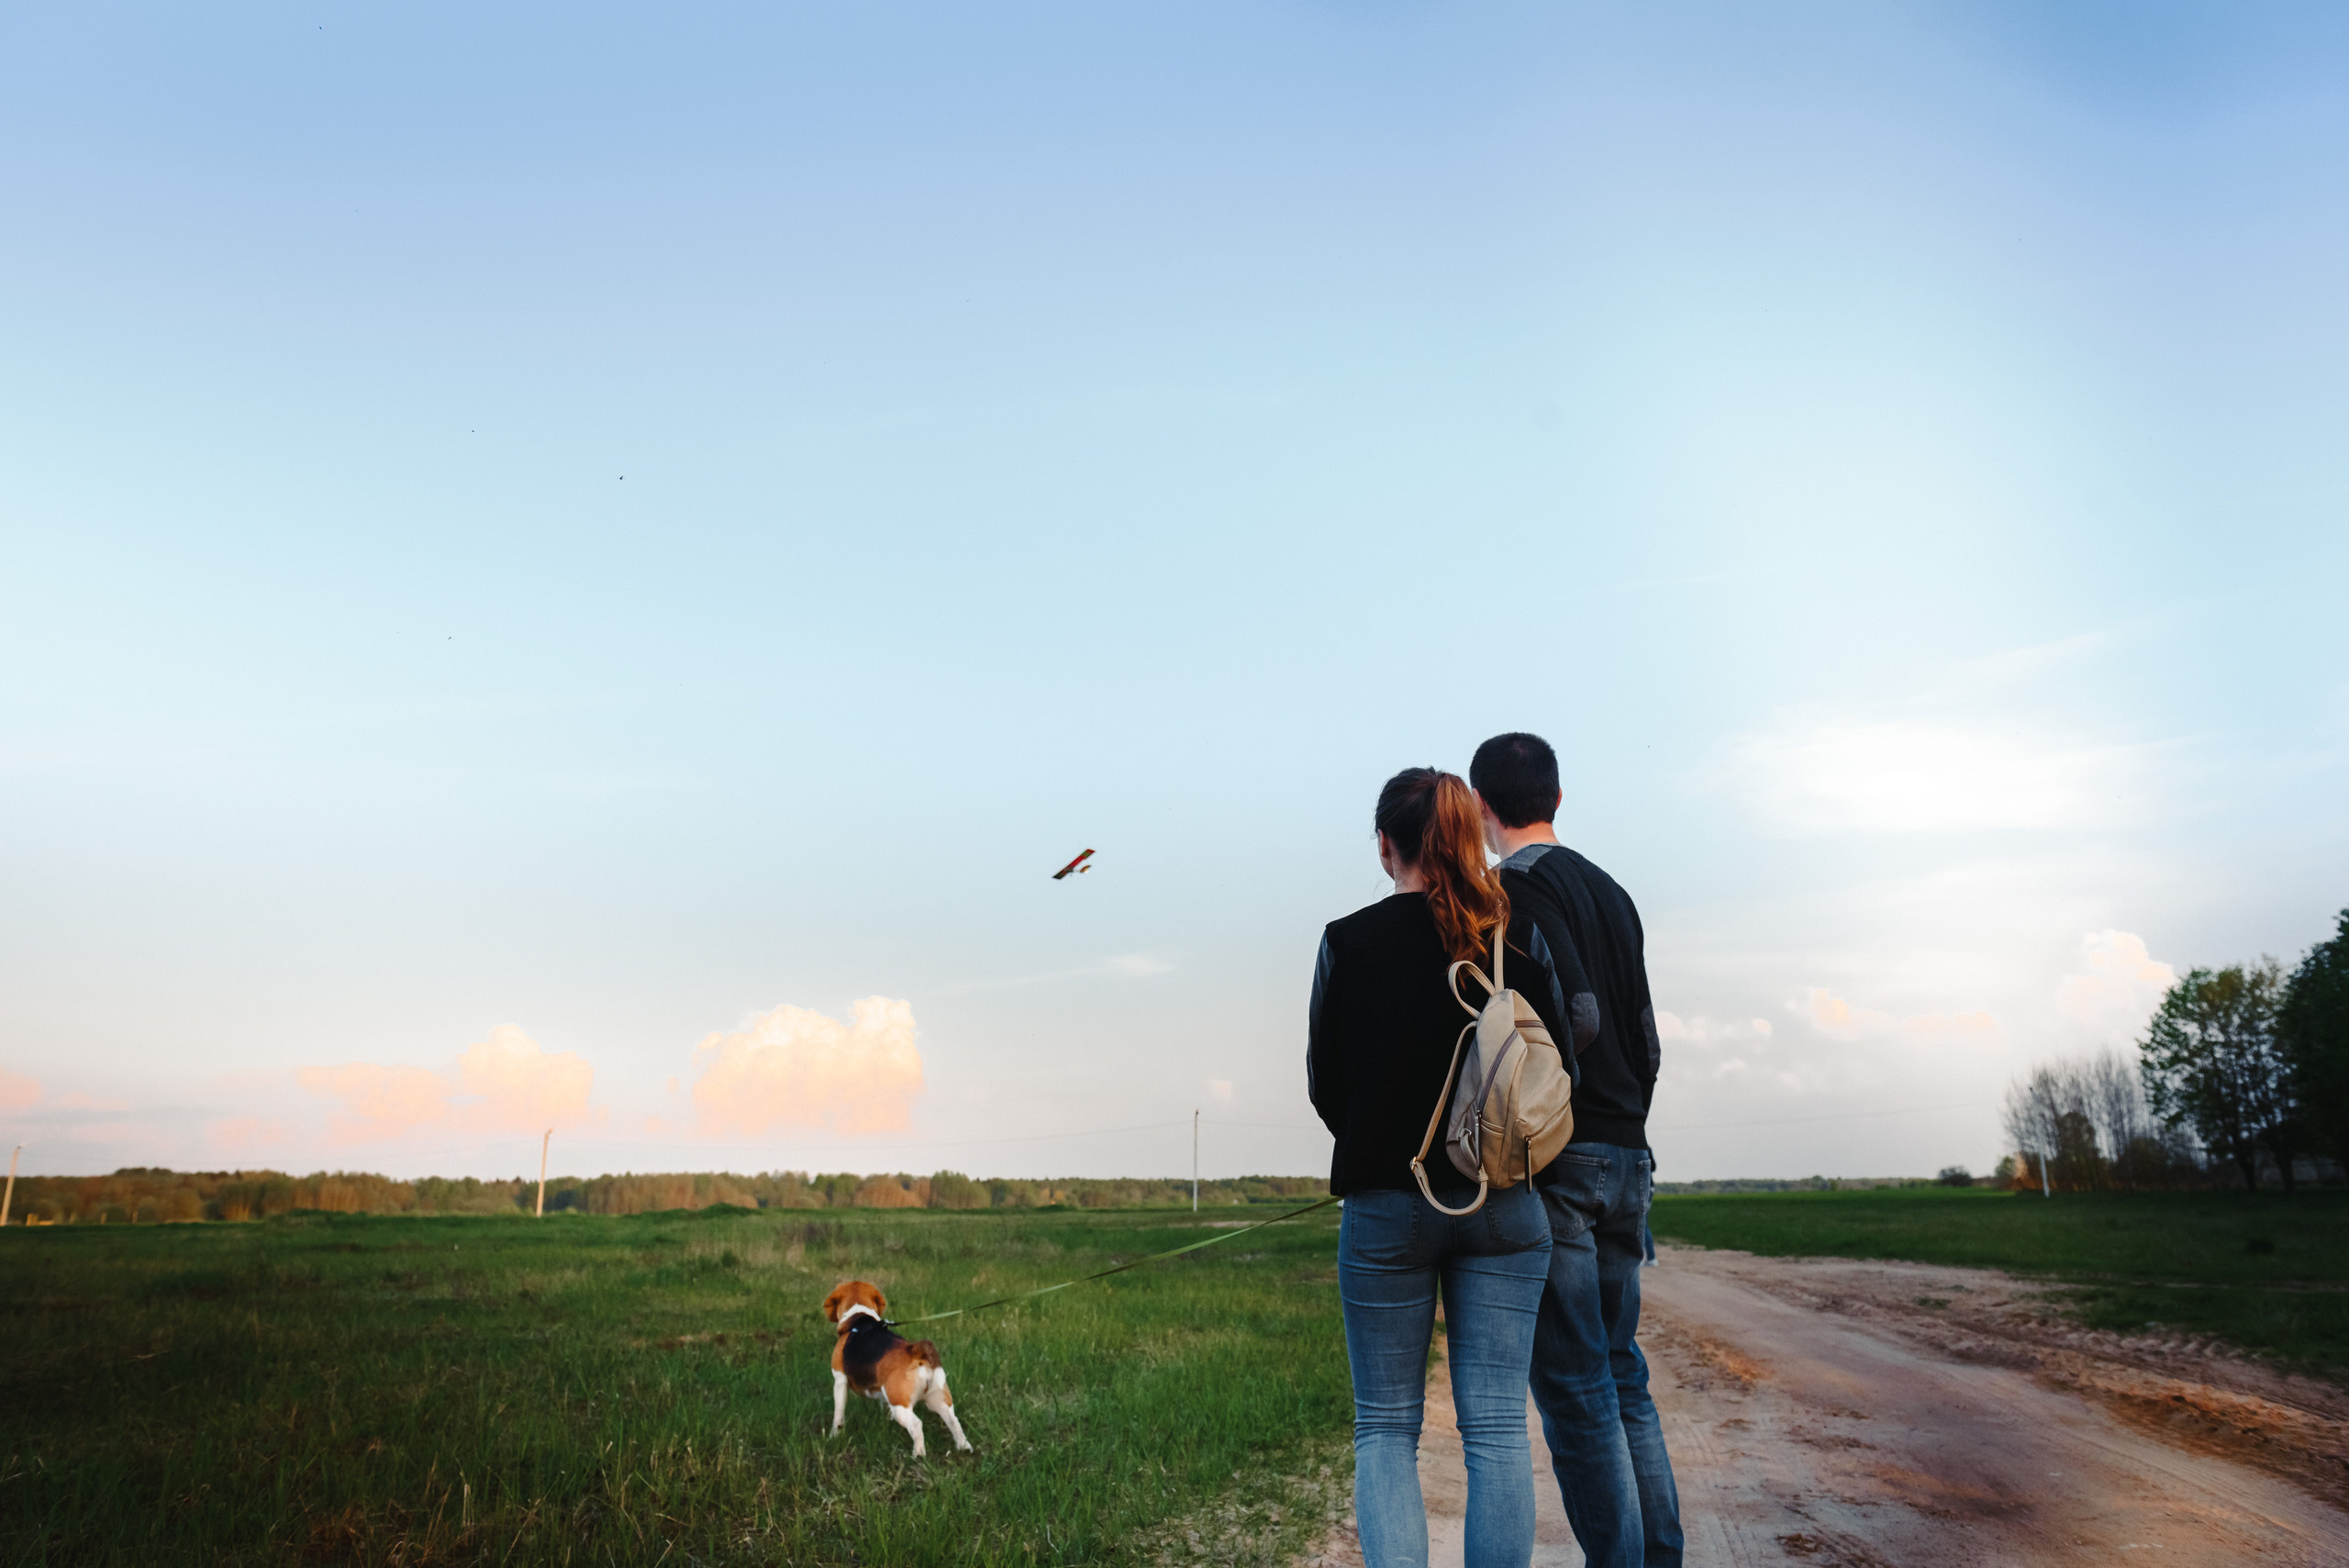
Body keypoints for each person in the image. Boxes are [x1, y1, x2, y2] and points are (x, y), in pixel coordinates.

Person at [1308, 767, 1574, 1568]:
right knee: (1495, 1425)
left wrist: (1384, 1139)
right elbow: (1555, 1079)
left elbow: (1327, 1085)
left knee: (1385, 1427)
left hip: (1388, 1201)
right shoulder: (1513, 945)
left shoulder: (1346, 940)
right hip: (1504, 1204)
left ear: (1387, 846)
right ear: (1466, 836)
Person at [1471, 731, 1684, 1568]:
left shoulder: (1507, 891)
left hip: (1565, 1157)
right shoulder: (1614, 890)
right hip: (1632, 1151)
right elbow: (1645, 1034)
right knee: (1623, 1374)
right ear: (1556, 798)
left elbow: (1577, 1023)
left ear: (1485, 808)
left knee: (1573, 1385)